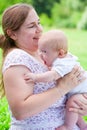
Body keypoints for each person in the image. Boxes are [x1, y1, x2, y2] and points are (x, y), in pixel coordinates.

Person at [0, 3, 86, 130]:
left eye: (38, 23)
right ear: (12, 34)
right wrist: (62, 88)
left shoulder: (44, 53)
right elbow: (20, 111)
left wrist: (81, 105)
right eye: (31, 26)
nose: (39, 29)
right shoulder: (18, 58)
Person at [25, 29, 87, 130]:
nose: (40, 55)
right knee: (73, 106)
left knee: (73, 103)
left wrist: (36, 77)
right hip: (81, 89)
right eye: (40, 51)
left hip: (84, 92)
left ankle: (68, 126)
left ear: (61, 53)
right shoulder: (62, 58)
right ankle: (83, 126)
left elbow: (51, 76)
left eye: (44, 52)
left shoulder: (62, 63)